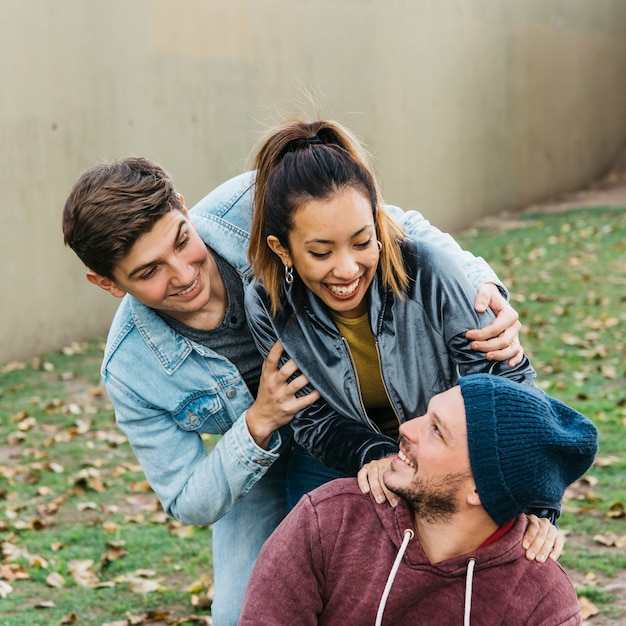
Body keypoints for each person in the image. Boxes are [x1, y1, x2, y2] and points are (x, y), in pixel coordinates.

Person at [62, 155, 540, 625]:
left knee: (388, 563)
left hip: (345, 413)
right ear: (107, 283)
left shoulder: (256, 198)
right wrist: (259, 422)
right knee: (239, 614)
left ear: (184, 208)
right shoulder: (128, 369)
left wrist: (483, 288)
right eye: (149, 272)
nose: (184, 275)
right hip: (253, 458)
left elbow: (394, 225)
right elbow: (187, 498)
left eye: (182, 241)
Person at [245, 118, 557, 523]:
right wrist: (374, 455)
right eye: (321, 253)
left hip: (445, 451)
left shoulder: (429, 271)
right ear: (281, 249)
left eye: (361, 242)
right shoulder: (268, 304)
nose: (347, 269)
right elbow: (312, 419)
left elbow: (507, 385)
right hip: (340, 454)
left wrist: (539, 508)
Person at [239, 374, 598, 625]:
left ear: (480, 491)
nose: (407, 428)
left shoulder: (542, 600)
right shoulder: (328, 520)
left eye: (436, 431)